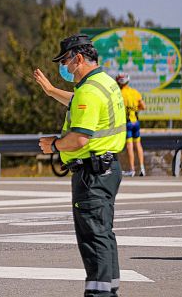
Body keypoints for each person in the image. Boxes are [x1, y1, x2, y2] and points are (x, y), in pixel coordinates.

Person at [34, 34, 126, 297]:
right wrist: (51, 90)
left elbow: (79, 137)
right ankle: (109, 292)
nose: (63, 67)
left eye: (65, 61)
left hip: (92, 174)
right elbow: (76, 102)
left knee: (93, 238)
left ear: (78, 58)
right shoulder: (104, 83)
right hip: (107, 169)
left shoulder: (89, 90)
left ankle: (98, 295)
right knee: (103, 234)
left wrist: (54, 145)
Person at [115, 73, 146, 176]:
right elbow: (143, 106)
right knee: (138, 144)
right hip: (136, 122)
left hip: (126, 123)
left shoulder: (119, 94)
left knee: (129, 146)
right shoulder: (135, 92)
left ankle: (132, 169)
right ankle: (142, 168)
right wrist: (135, 109)